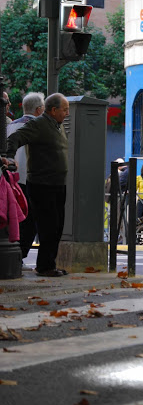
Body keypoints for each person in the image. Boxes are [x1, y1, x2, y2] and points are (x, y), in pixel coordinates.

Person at [6, 93, 69, 277]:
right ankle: (45, 266)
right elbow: (15, 138)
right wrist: (10, 155)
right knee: (48, 226)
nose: (67, 113)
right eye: (64, 109)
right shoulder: (38, 124)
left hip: (58, 183)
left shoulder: (58, 126)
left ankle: (49, 263)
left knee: (57, 226)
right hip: (42, 184)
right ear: (53, 109)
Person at [7, 92, 45, 263]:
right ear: (39, 110)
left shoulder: (9, 127)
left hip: (10, 181)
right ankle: (19, 255)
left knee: (12, 220)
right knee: (30, 222)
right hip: (30, 181)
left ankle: (14, 255)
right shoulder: (40, 127)